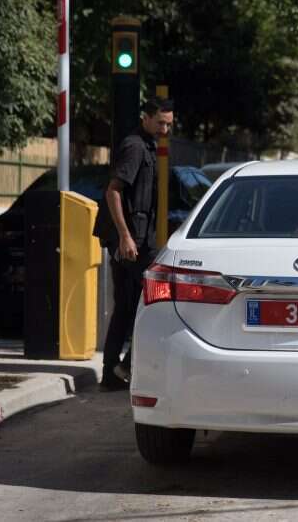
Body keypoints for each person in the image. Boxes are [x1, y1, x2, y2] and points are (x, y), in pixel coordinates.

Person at [97, 97, 173, 391]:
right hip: (130, 241)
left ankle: (113, 373)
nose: (165, 129)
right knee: (158, 299)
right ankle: (124, 367)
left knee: (128, 306)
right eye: (161, 123)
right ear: (146, 117)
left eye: (169, 124)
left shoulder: (149, 146)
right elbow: (113, 192)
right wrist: (125, 236)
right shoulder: (135, 146)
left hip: (138, 238)